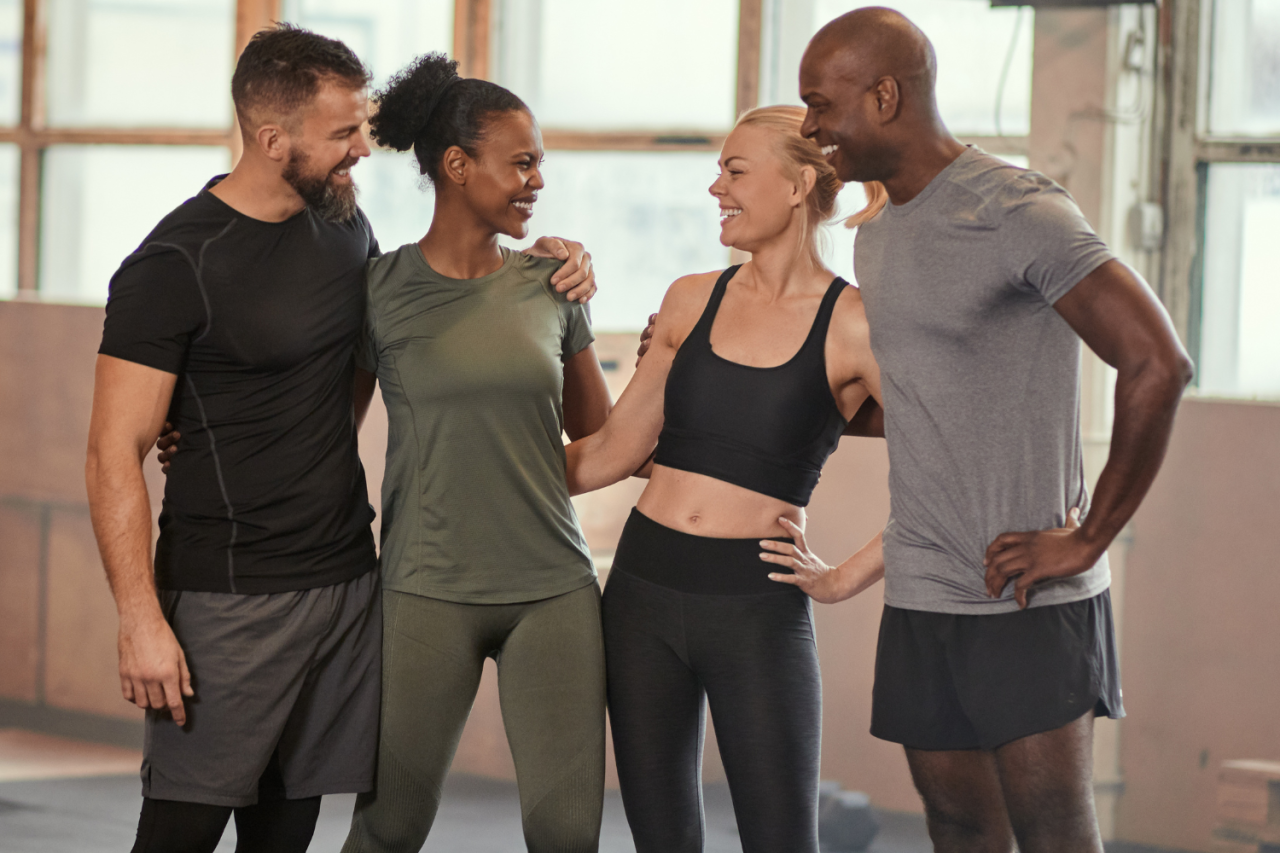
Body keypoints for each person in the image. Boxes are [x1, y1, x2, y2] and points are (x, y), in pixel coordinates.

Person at [85, 26, 596, 853]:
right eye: (344, 133)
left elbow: (362, 374)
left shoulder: (345, 230)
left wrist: (552, 259)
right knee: (179, 831)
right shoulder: (173, 264)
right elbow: (113, 449)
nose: (365, 147)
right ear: (271, 137)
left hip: (346, 583)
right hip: (228, 597)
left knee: (287, 832)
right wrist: (139, 618)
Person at [795, 9, 1194, 852]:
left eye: (819, 104)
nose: (810, 126)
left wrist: (1088, 538)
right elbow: (921, 399)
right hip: (922, 589)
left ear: (886, 94)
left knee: (1052, 832)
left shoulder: (1015, 210)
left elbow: (1158, 363)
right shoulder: (877, 238)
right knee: (957, 825)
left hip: (1025, 595)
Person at [563, 105, 888, 853]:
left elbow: (948, 470)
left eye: (735, 171)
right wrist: (485, 478)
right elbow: (611, 450)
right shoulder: (689, 297)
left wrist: (846, 576)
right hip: (641, 592)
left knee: (781, 840)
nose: (716, 188)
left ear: (801, 182)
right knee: (662, 839)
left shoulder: (855, 325)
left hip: (756, 609)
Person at [338, 54, 613, 853]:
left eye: (539, 164)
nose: (536, 181)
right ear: (457, 166)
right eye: (522, 162)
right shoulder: (379, 289)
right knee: (389, 828)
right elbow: (329, 432)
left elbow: (600, 435)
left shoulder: (551, 284)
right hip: (427, 589)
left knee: (567, 835)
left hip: (552, 590)